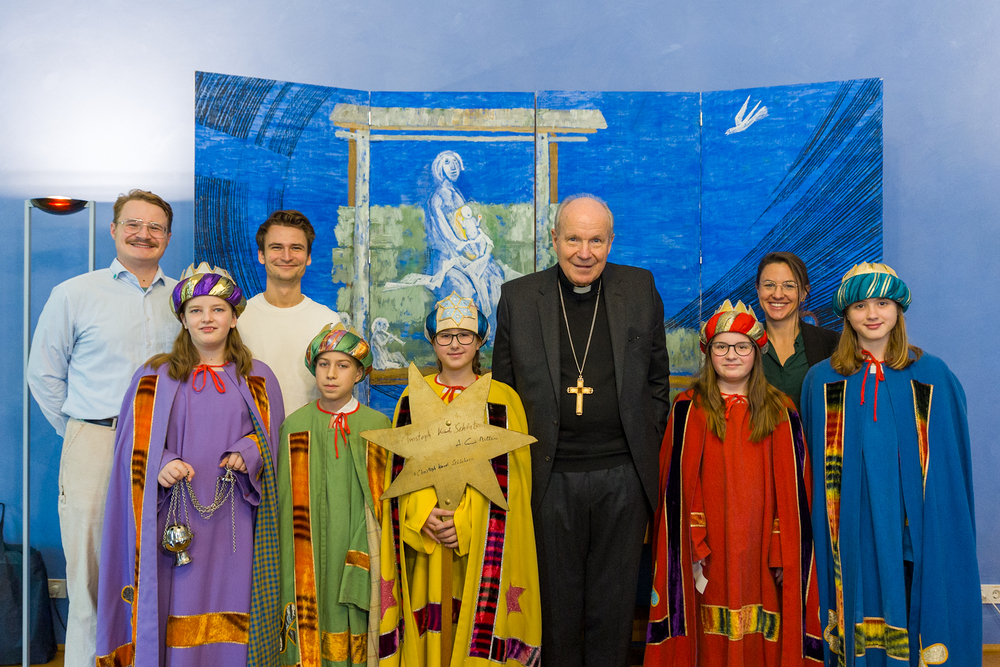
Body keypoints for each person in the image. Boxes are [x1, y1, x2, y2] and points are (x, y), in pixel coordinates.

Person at [492, 195, 671, 666]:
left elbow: (657, 381)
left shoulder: (639, 288)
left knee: (614, 609)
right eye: (573, 239)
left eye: (596, 241)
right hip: (547, 478)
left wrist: (643, 444)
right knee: (556, 608)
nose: (584, 253)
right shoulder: (518, 298)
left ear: (611, 242)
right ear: (554, 239)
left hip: (622, 476)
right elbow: (501, 397)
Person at [95, 263, 284, 667]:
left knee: (235, 597)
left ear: (234, 318)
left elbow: (272, 439)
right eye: (196, 310)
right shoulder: (153, 376)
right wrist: (160, 462)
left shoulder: (260, 378)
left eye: (218, 310)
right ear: (182, 319)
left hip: (236, 518)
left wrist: (249, 451)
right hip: (175, 519)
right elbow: (132, 444)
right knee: (178, 599)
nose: (207, 318)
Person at [26, 189, 179, 667]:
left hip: (165, 449)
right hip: (96, 441)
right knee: (88, 575)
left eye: (155, 227)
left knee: (159, 568)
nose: (143, 234)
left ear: (167, 237)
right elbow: (43, 374)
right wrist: (83, 430)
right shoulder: (75, 293)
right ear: (113, 230)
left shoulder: (184, 300)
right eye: (133, 224)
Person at [801, 262, 979, 665]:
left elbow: (950, 470)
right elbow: (813, 473)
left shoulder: (933, 376)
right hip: (851, 528)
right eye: (860, 305)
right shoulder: (821, 381)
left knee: (917, 608)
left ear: (899, 309)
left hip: (913, 530)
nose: (872, 314)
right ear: (846, 314)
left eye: (882, 303)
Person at [644, 300, 823, 666]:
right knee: (706, 624)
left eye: (742, 347)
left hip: (761, 546)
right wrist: (694, 539)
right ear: (708, 353)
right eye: (721, 347)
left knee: (762, 624)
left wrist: (781, 547)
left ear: (756, 353)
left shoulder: (780, 410)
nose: (731, 355)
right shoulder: (687, 408)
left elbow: (794, 493)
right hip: (708, 545)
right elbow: (676, 486)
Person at [379, 293, 541, 666]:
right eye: (445, 335)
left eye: (465, 335)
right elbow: (400, 470)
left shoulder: (502, 399)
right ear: (432, 341)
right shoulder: (413, 397)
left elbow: (513, 482)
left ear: (480, 340)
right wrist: (423, 515)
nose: (455, 344)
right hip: (430, 540)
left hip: (481, 542)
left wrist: (466, 522)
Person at [277, 323, 391, 667]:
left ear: (359, 373)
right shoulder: (294, 426)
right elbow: (283, 504)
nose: (330, 374)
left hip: (358, 544)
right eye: (323, 364)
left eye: (342, 366)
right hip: (307, 554)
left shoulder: (377, 426)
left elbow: (382, 502)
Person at [237, 209, 341, 416]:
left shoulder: (329, 322)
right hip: (252, 435)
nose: (286, 256)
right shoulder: (237, 319)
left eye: (296, 248)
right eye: (276, 247)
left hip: (311, 433)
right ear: (261, 255)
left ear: (308, 257)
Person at [755, 252, 839, 410]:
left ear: (804, 292)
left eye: (789, 285)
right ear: (758, 289)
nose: (778, 294)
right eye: (769, 285)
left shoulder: (832, 344)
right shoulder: (741, 345)